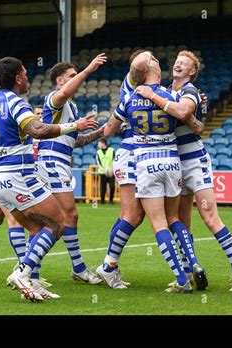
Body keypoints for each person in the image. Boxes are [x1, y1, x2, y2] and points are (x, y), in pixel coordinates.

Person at [0, 56, 98, 301]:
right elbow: (38, 130)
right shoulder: (16, 102)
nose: (28, 77)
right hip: (18, 175)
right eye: (25, 74)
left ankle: (31, 280)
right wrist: (75, 125)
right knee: (58, 223)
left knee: (35, 228)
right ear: (18, 78)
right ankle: (23, 272)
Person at [135, 50, 232, 292]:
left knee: (210, 218)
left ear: (192, 71)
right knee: (181, 223)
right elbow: (196, 124)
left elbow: (182, 112)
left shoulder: (190, 91)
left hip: (194, 161)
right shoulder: (167, 90)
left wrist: (151, 96)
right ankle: (188, 273)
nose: (177, 65)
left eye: (183, 63)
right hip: (173, 163)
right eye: (176, 62)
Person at [103, 55, 203, 293]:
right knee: (174, 219)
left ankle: (181, 281)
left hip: (145, 161)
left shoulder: (129, 97)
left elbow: (108, 130)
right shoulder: (174, 96)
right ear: (155, 70)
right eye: (155, 60)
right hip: (172, 161)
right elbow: (191, 121)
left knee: (157, 224)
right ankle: (194, 266)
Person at [35, 55, 107, 285]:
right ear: (59, 81)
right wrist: (88, 70)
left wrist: (98, 133)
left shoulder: (71, 107)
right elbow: (64, 94)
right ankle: (77, 268)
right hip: (51, 162)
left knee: (45, 219)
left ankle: (30, 269)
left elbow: (73, 142)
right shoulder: (55, 99)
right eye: (72, 76)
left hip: (60, 161)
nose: (77, 80)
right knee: (69, 215)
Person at [95, 50, 152, 289]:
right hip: (131, 152)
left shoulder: (147, 89)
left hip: (137, 153)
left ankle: (109, 265)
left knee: (127, 216)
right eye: (151, 60)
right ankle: (108, 266)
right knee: (134, 216)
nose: (152, 62)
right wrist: (147, 58)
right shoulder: (133, 81)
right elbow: (138, 63)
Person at [96, 138, 115, 205]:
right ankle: (102, 201)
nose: (98, 145)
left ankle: (111, 200)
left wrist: (111, 169)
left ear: (103, 143)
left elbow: (114, 159)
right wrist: (104, 169)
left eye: (99, 143)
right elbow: (98, 162)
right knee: (103, 188)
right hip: (102, 172)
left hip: (111, 172)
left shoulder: (112, 150)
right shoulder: (98, 152)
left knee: (112, 187)